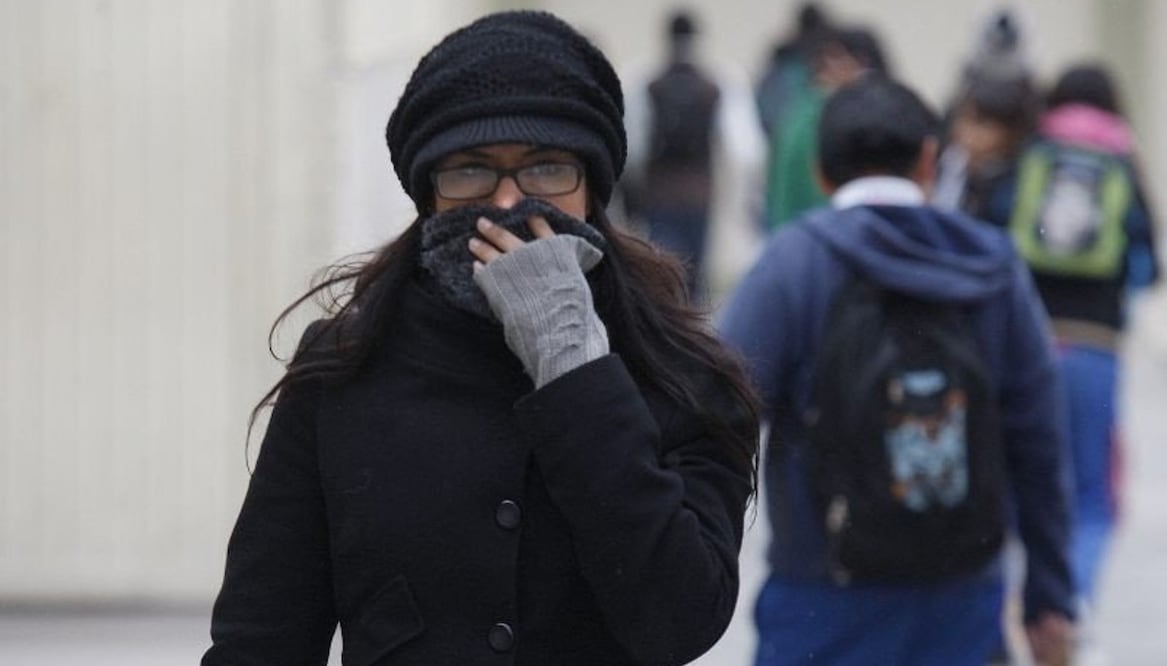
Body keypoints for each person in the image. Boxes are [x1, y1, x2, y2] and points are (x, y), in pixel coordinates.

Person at [201, 10, 760, 666]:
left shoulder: (680, 371)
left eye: (545, 168)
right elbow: (262, 634)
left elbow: (680, 620)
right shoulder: (344, 368)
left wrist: (571, 363)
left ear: (592, 187)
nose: (505, 204)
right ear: (428, 193)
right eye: (469, 171)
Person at [718, 77, 1075, 666]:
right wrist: (1049, 596)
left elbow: (718, 415)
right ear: (930, 160)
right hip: (964, 604)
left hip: (820, 602)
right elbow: (1040, 440)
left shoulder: (793, 262)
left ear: (821, 172)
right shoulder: (993, 265)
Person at [987, 62, 1161, 629]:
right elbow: (1147, 266)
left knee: (1020, 477)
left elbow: (991, 239)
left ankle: (1013, 595)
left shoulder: (1030, 153)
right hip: (1094, 345)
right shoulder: (1121, 160)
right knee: (1090, 492)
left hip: (1027, 342)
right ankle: (1070, 606)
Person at [622, 9, 722, 299]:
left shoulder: (650, 85)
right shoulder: (711, 87)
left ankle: (668, 333)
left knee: (664, 273)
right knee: (696, 274)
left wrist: (631, 196)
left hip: (660, 193)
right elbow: (739, 148)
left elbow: (636, 146)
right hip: (700, 192)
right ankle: (697, 335)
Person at [761, 25, 890, 231]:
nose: (830, 68)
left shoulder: (872, 112)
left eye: (838, 60)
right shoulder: (812, 114)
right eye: (828, 61)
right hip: (814, 227)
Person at [932, 8, 1040, 221]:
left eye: (979, 123)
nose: (963, 133)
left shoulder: (1024, 187)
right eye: (961, 119)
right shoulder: (950, 170)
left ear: (1012, 132)